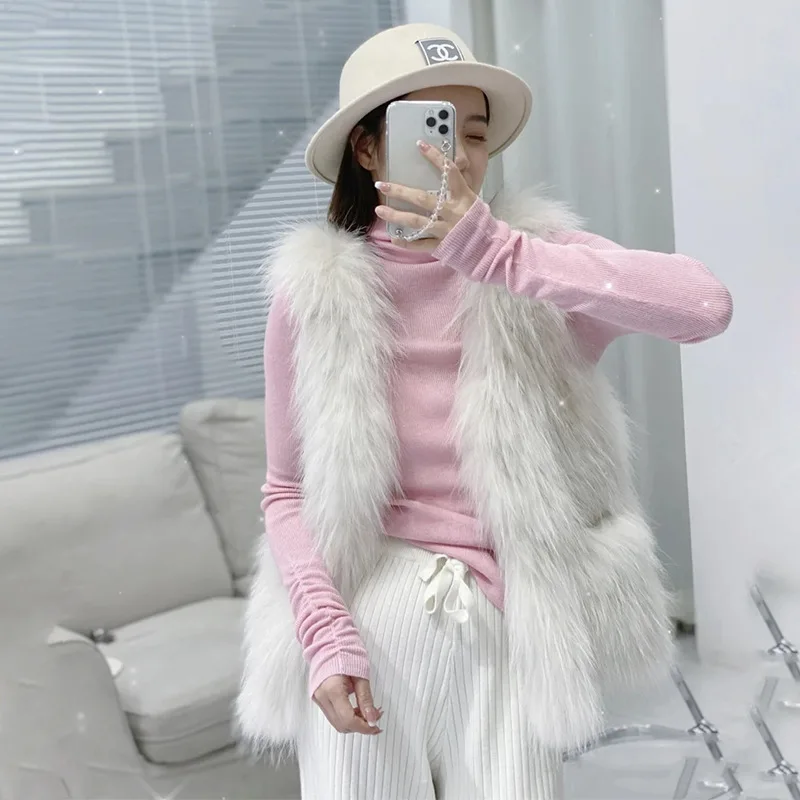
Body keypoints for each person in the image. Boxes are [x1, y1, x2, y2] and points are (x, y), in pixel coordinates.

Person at [237, 22, 732, 800]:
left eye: (474, 133)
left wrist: (501, 254)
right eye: (432, 128)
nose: (458, 154)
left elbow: (704, 306)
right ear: (368, 149)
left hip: (505, 617)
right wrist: (327, 634)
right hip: (360, 614)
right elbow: (285, 491)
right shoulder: (314, 294)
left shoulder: (535, 261)